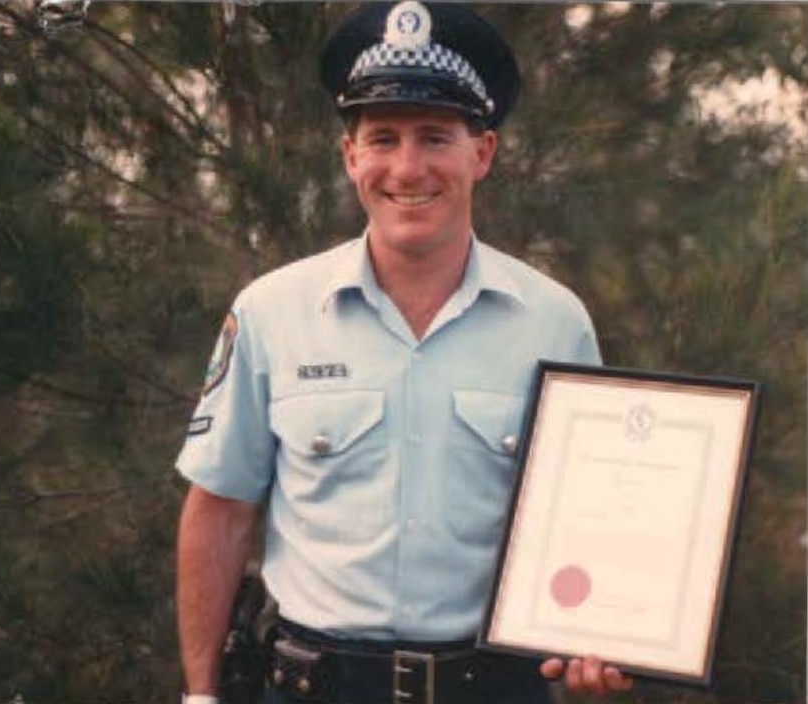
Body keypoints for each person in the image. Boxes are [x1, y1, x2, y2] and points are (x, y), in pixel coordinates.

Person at [175, 3, 635, 703]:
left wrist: (602, 633)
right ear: (349, 156)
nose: (406, 167)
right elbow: (219, 509)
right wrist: (201, 696)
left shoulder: (553, 321)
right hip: (314, 687)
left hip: (493, 688)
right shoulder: (271, 312)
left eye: (434, 138)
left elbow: (592, 514)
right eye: (382, 138)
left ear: (481, 153)